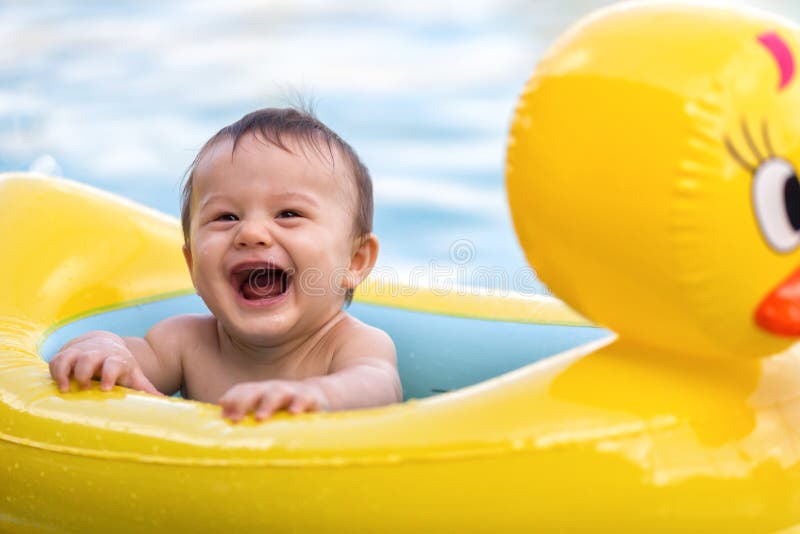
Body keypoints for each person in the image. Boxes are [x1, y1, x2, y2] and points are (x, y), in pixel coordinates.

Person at [49, 107, 402, 421]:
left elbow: (379, 387)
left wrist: (317, 396)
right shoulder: (185, 343)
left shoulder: (352, 345)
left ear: (355, 261)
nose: (251, 232)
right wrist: (100, 347)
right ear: (192, 266)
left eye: (288, 214)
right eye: (225, 216)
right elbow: (126, 359)